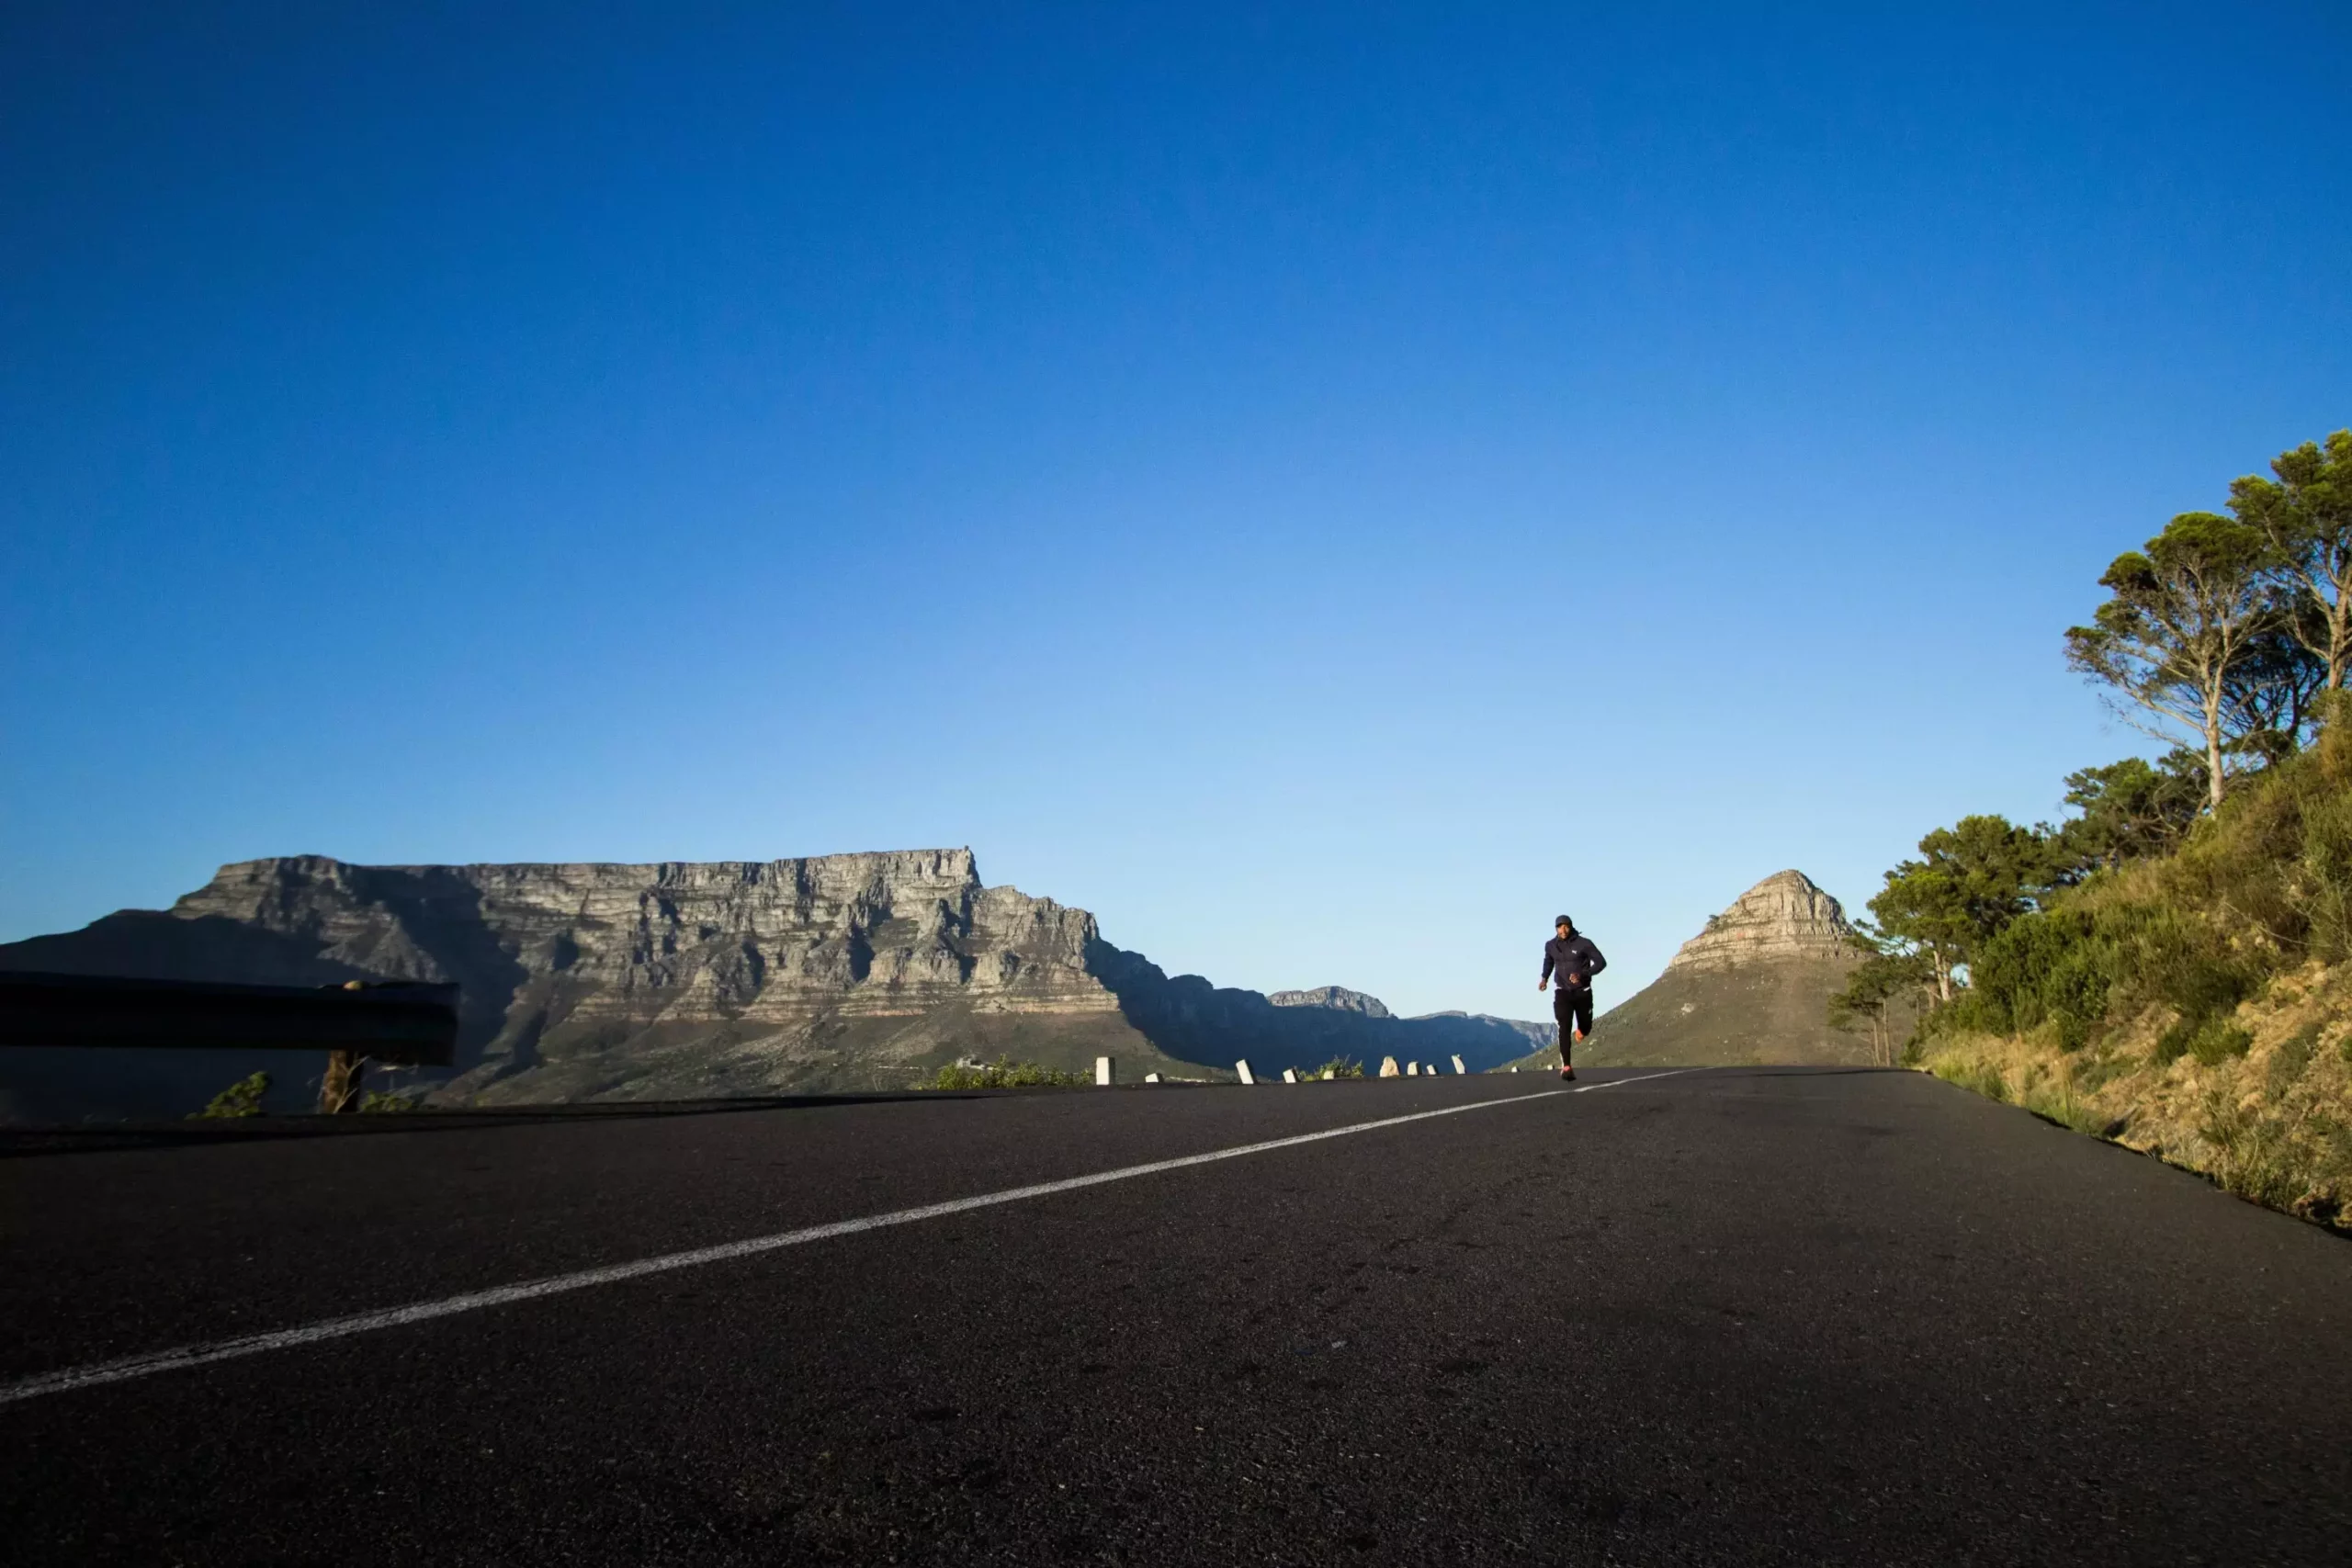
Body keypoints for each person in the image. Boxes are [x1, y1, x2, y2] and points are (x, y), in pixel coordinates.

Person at [1538, 914, 1606, 1081]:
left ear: (1571, 926)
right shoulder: (1551, 945)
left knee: (1585, 1026)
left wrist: (1584, 974)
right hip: (1562, 991)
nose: (1563, 929)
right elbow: (1549, 962)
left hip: (1583, 991)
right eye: (1559, 927)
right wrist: (1544, 978)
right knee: (1564, 1025)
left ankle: (1582, 1030)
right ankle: (1566, 1066)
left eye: (1566, 926)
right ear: (1556, 929)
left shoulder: (1584, 943)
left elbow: (1601, 962)